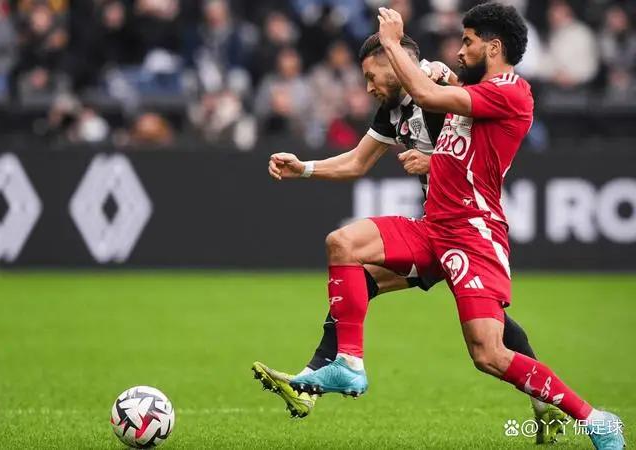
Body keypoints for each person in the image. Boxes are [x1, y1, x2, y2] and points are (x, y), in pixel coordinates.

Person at [267, 3, 625, 449]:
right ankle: (348, 364)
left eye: (468, 42)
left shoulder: (512, 91)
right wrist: (307, 168)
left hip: (472, 233)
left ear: (493, 47)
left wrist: (396, 45)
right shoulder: (457, 88)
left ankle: (595, 420)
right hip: (434, 225)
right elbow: (432, 133)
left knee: (488, 352)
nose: (459, 50)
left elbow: (434, 99)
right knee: (343, 244)